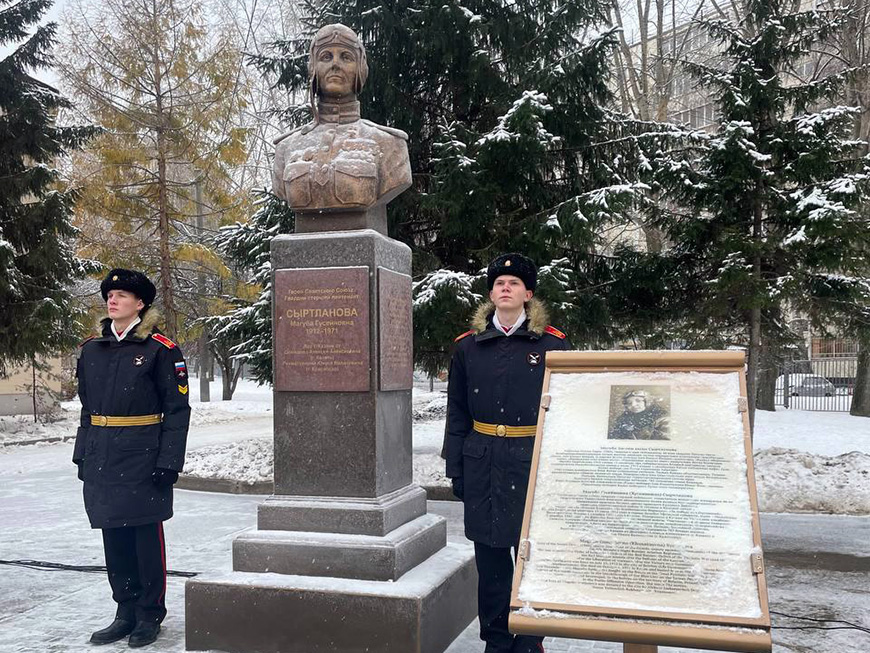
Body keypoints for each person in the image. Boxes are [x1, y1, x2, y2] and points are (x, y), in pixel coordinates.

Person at [444, 253, 571, 653]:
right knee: (491, 562)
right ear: (491, 293)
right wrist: (456, 468)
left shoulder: (552, 344)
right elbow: (457, 411)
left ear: (528, 294)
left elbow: (567, 410)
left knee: (532, 558)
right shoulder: (468, 347)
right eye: (499, 282)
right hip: (482, 462)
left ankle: (530, 640)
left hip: (531, 462)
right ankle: (497, 641)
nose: (505, 287)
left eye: (514, 282)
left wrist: (560, 470)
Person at [73, 269, 190, 647]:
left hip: (143, 455)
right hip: (103, 453)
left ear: (140, 304)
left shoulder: (160, 349)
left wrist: (169, 461)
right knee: (113, 535)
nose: (113, 300)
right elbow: (87, 409)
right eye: (110, 294)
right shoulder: (92, 349)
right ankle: (124, 611)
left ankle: (149, 613)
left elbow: (177, 410)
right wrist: (82, 454)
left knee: (144, 537)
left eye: (122, 295)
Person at [271, 23, 412, 212]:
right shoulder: (286, 147)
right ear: (313, 69)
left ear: (361, 69)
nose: (335, 64)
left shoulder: (390, 144)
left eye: (346, 57)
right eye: (326, 57)